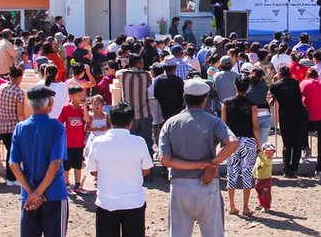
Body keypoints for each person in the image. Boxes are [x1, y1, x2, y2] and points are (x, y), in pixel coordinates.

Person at [158, 79, 239, 237]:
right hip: (207, 184)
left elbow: (165, 160)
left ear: (184, 97)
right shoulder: (214, 121)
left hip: (179, 186)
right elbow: (233, 143)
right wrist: (211, 164)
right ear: (205, 100)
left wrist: (197, 165)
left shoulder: (170, 124)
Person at [86, 101, 153, 237]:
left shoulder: (98, 143)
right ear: (130, 123)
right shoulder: (139, 142)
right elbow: (146, 169)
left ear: (111, 120)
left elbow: (93, 171)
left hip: (106, 202)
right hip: (134, 202)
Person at [9, 83, 68, 237]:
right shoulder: (57, 127)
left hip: (29, 195)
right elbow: (55, 164)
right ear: (49, 102)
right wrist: (38, 193)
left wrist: (32, 193)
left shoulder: (21, 128)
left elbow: (13, 164)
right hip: (54, 193)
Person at [222, 73, 260, 215]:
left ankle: (232, 205)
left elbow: (223, 124)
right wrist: (259, 143)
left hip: (232, 141)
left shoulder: (226, 103)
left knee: (231, 172)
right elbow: (255, 126)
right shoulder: (252, 105)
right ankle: (245, 206)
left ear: (235, 87)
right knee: (247, 172)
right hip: (248, 140)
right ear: (248, 87)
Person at [269, 64, 309, 178]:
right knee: (297, 144)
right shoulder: (295, 82)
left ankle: (286, 168)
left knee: (287, 144)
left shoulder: (274, 86)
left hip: (286, 117)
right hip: (300, 115)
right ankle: (294, 169)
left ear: (279, 74)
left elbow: (274, 94)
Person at [300, 68, 321, 179]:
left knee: (301, 132)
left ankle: (305, 148)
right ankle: (320, 170)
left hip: (309, 117)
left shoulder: (303, 83)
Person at [57, 85, 88, 196]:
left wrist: (84, 108)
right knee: (67, 165)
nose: (82, 97)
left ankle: (78, 185)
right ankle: (66, 184)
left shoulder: (81, 109)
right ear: (72, 96)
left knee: (78, 165)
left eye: (82, 94)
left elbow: (87, 120)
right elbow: (59, 122)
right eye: (79, 95)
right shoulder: (66, 108)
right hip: (68, 143)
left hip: (80, 142)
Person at [253, 143, 275, 211]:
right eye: (267, 152)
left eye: (271, 153)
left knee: (266, 193)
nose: (269, 155)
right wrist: (253, 174)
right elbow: (256, 166)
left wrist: (259, 155)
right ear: (263, 151)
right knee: (259, 192)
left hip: (266, 179)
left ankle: (266, 206)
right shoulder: (259, 159)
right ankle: (261, 203)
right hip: (259, 179)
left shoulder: (269, 160)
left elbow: (265, 161)